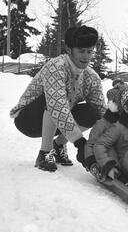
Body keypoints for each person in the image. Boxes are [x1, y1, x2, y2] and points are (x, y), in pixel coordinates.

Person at [9, 25, 107, 172]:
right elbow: (57, 107)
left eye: (89, 51)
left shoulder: (91, 77)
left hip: (57, 120)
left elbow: (102, 113)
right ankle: (45, 153)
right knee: (54, 101)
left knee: (94, 113)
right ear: (69, 49)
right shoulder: (56, 67)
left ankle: (59, 145)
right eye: (81, 51)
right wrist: (80, 143)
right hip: (28, 120)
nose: (86, 56)